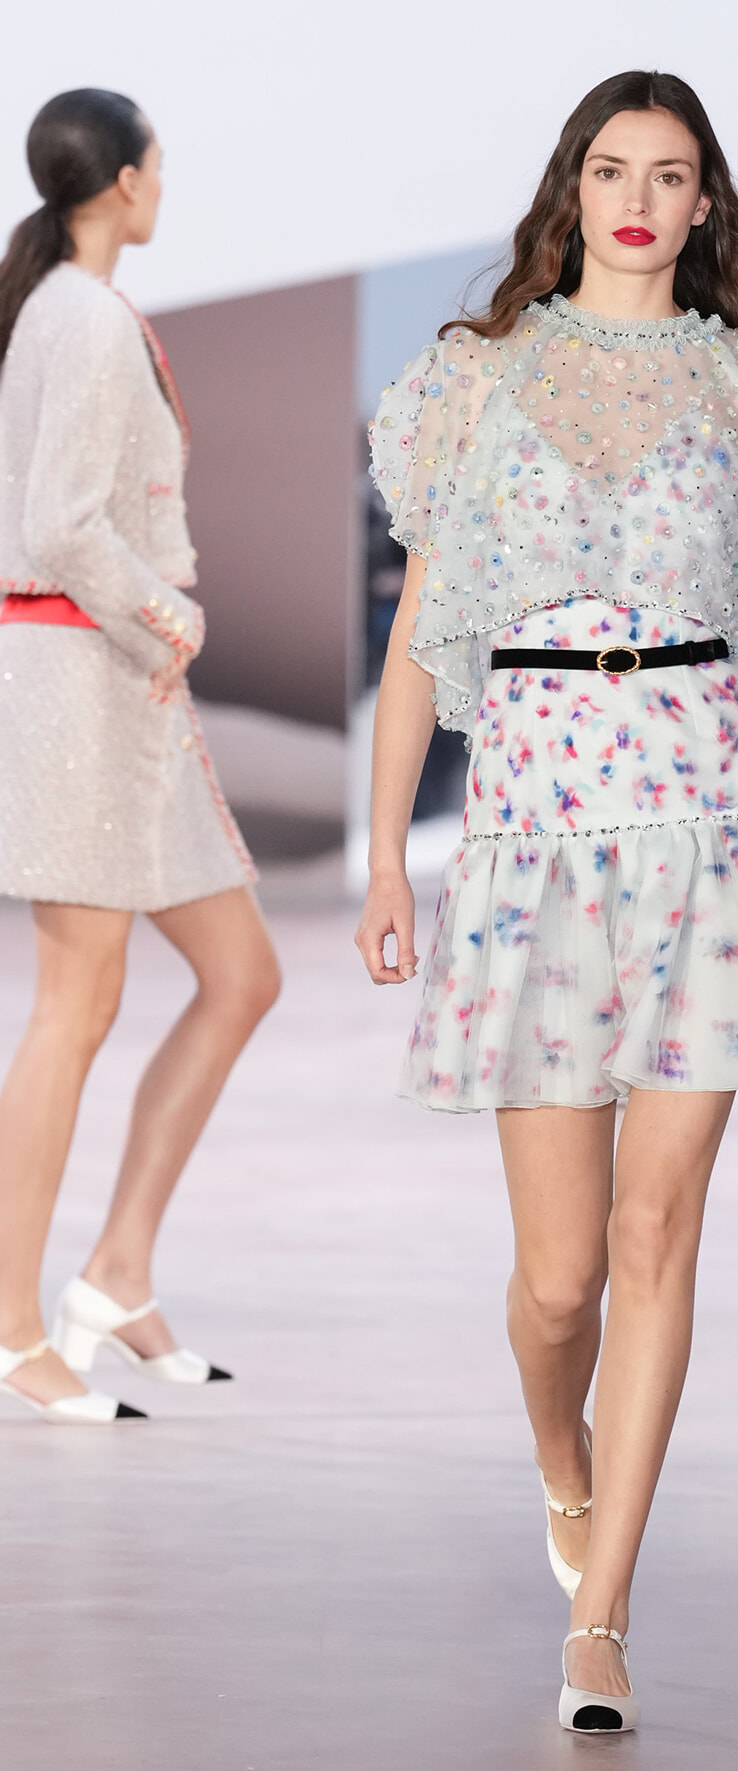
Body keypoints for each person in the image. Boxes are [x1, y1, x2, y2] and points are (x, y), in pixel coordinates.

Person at [358, 70, 738, 1731]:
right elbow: (427, 642)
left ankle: (606, 1614)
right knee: (560, 1275)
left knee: (659, 1231)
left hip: (716, 813)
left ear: (706, 205)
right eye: (612, 168)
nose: (640, 198)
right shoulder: (477, 381)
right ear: (573, 189)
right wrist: (381, 864)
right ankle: (558, 1455)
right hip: (542, 824)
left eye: (672, 174)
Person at [0, 91, 280, 1424]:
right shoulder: (84, 319)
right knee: (78, 1002)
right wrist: (166, 610)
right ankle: (8, 1329)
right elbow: (58, 526)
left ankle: (114, 1275)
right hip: (83, 684)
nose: (166, 184)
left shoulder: (70, 309)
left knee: (240, 974)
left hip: (124, 693)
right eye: (158, 166)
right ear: (119, 182)